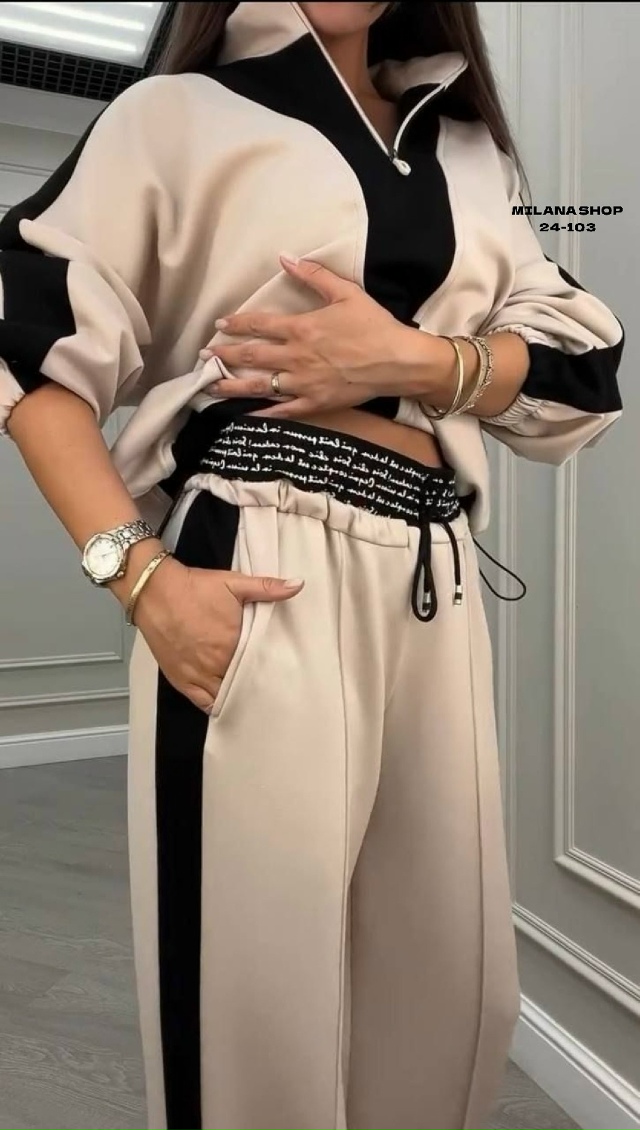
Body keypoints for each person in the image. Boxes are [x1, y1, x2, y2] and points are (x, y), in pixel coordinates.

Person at [0, 2, 624, 1128]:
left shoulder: (469, 150)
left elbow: (582, 367)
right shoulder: (175, 115)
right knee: (255, 999)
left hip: (433, 571)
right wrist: (138, 575)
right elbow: (25, 344)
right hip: (259, 556)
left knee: (449, 990)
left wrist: (415, 359)